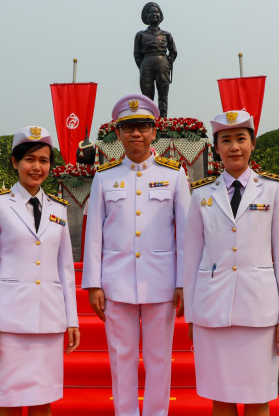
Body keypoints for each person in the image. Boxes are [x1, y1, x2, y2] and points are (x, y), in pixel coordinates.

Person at [183, 111, 279, 416]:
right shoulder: (201, 195)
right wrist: (192, 317)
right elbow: (192, 258)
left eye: (240, 139)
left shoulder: (274, 191)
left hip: (259, 313)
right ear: (216, 148)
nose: (234, 147)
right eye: (226, 140)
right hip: (213, 311)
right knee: (220, 396)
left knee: (257, 396)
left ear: (252, 144)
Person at [82, 93, 190, 416]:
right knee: (121, 360)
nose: (136, 134)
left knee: (160, 361)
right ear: (118, 134)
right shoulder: (104, 177)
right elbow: (94, 235)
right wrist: (93, 283)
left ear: (154, 131)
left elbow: (185, 235)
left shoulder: (173, 175)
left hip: (161, 284)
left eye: (143, 127)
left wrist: (183, 282)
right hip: (116, 284)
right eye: (128, 128)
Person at [0, 126, 80, 416]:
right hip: (8, 325)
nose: (37, 167)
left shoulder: (58, 208)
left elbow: (65, 268)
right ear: (15, 162)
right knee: (8, 401)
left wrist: (72, 318)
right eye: (30, 159)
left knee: (42, 400)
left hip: (48, 321)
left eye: (44, 161)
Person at [134, 2, 177, 118]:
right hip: (146, 63)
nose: (154, 14)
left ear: (160, 15)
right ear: (147, 16)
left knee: (163, 94)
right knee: (147, 95)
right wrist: (142, 66)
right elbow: (137, 54)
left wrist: (167, 63)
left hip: (162, 63)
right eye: (151, 12)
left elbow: (173, 52)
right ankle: (148, 119)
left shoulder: (166, 35)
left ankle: (162, 120)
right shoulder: (140, 35)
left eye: (156, 12)